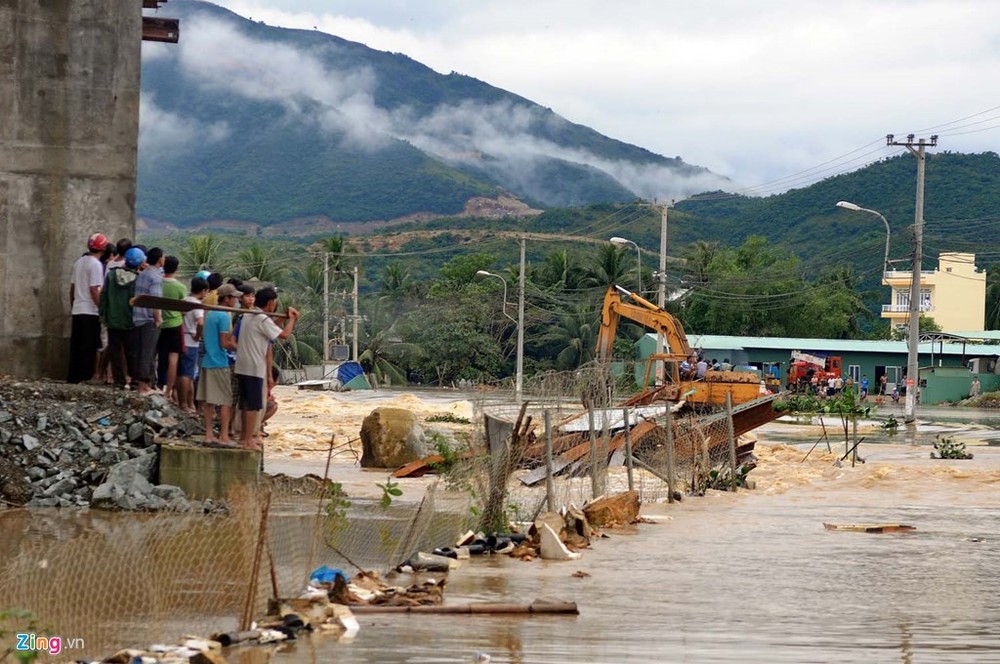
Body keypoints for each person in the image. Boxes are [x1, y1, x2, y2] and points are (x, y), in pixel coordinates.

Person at [234, 287, 299, 451]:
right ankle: (248, 439)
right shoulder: (261, 319)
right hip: (254, 367)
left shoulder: (249, 315)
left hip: (242, 365)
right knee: (253, 406)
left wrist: (283, 317)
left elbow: (270, 329)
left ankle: (244, 437)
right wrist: (292, 320)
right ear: (270, 303)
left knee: (245, 403)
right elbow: (283, 335)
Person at [197, 284, 239, 446]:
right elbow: (224, 342)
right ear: (226, 298)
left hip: (208, 360)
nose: (236, 300)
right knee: (226, 401)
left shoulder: (211, 314)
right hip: (219, 362)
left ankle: (209, 435)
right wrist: (239, 348)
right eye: (234, 297)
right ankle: (224, 436)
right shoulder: (222, 316)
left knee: (209, 402)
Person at [99, 247, 144, 389]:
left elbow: (104, 296)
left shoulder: (111, 276)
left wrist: (103, 315)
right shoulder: (138, 279)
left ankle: (118, 380)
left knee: (115, 351)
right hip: (131, 320)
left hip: (113, 319)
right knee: (132, 352)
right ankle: (134, 381)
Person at [67, 233, 108, 383]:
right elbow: (94, 290)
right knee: (89, 347)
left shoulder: (79, 262)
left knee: (76, 346)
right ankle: (85, 376)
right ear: (103, 248)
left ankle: (73, 377)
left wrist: (73, 304)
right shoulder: (96, 265)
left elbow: (72, 288)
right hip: (90, 310)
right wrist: (101, 309)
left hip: (78, 309)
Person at [130, 247, 164, 395]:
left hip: (137, 317)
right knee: (148, 353)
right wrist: (158, 319)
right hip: (148, 318)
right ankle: (144, 386)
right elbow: (154, 302)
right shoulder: (155, 277)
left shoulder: (142, 274)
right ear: (160, 260)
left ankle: (144, 384)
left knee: (141, 352)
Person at [156, 256, 187, 403]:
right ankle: (168, 391)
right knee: (173, 358)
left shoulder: (158, 283)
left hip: (160, 324)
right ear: (176, 268)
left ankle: (159, 386)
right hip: (175, 324)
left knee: (160, 356)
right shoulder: (180, 287)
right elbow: (184, 310)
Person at [178, 276, 208, 413]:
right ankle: (184, 404)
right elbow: (201, 322)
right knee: (187, 374)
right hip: (191, 341)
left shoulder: (184, 301)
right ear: (203, 291)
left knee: (186, 374)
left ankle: (189, 404)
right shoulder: (197, 305)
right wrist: (198, 335)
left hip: (181, 338)